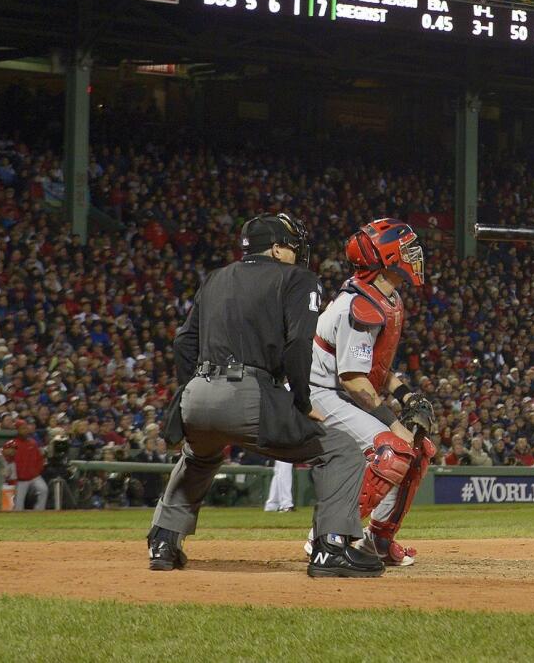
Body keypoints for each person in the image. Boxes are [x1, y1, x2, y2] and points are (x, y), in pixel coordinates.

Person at [148, 213, 381, 578]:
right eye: (290, 246)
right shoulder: (298, 279)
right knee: (341, 451)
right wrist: (303, 404)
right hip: (250, 392)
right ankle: (330, 547)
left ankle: (163, 540)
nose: (296, 253)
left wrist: (190, 391)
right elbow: (297, 346)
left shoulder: (215, 278)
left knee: (199, 455)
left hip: (197, 392)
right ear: (275, 248)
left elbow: (183, 342)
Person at [306, 218, 434, 568]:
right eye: (406, 249)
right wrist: (392, 421)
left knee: (420, 449)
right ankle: (328, 535)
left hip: (340, 390)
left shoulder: (383, 296)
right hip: (319, 392)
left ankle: (377, 541)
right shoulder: (358, 306)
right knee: (392, 448)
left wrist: (407, 396)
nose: (414, 254)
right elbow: (352, 379)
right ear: (388, 256)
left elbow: (372, 368)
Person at [3, 421, 47, 510]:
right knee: (19, 504)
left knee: (43, 489)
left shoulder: (33, 443)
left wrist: (36, 471)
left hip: (34, 477)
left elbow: (40, 459)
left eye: (26, 428)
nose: (26, 430)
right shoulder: (12, 443)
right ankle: (18, 520)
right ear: (17, 430)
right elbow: (6, 459)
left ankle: (39, 512)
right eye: (23, 428)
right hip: (20, 479)